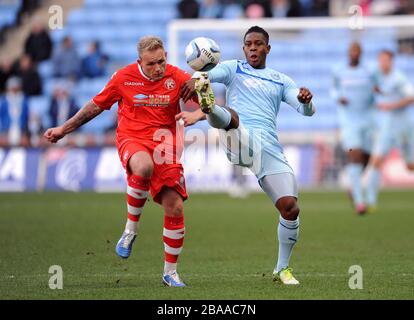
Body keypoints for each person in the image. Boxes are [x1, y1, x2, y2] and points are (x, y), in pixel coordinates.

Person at [44, 36, 204, 287]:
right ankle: (130, 231)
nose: (158, 68)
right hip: (133, 138)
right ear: (140, 61)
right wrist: (64, 129)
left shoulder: (177, 77)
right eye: (151, 64)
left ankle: (170, 273)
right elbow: (95, 106)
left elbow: (210, 103)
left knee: (175, 208)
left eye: (161, 61)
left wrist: (198, 111)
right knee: (143, 166)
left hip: (166, 146)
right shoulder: (123, 78)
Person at [179, 26, 315, 285]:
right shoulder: (233, 68)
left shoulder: (281, 80)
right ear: (243, 49)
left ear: (268, 48)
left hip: (268, 149)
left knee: (290, 208)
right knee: (231, 116)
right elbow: (210, 73)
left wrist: (306, 100)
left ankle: (282, 269)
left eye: (258, 44)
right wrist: (196, 80)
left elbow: (305, 111)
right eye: (248, 44)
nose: (253, 48)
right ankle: (210, 108)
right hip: (237, 138)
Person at [365, 50, 414, 210]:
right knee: (376, 161)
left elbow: (411, 97)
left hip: (403, 128)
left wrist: (390, 105)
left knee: (410, 165)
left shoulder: (398, 79)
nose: (382, 63)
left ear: (391, 61)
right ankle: (371, 201)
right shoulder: (378, 78)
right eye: (380, 60)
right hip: (387, 127)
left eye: (385, 60)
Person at [331, 42, 376, 215]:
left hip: (368, 120)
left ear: (361, 53)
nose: (354, 54)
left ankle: (352, 184)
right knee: (355, 155)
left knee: (366, 158)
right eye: (352, 51)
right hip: (349, 121)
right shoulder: (339, 71)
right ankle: (359, 201)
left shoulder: (369, 72)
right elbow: (333, 89)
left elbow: (376, 91)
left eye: (357, 51)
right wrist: (338, 97)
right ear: (348, 53)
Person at [0, 77, 30, 147]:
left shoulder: (24, 100)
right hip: (6, 128)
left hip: (21, 128)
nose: (14, 90)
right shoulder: (4, 101)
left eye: (16, 88)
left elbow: (27, 117)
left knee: (24, 142)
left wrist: (25, 132)